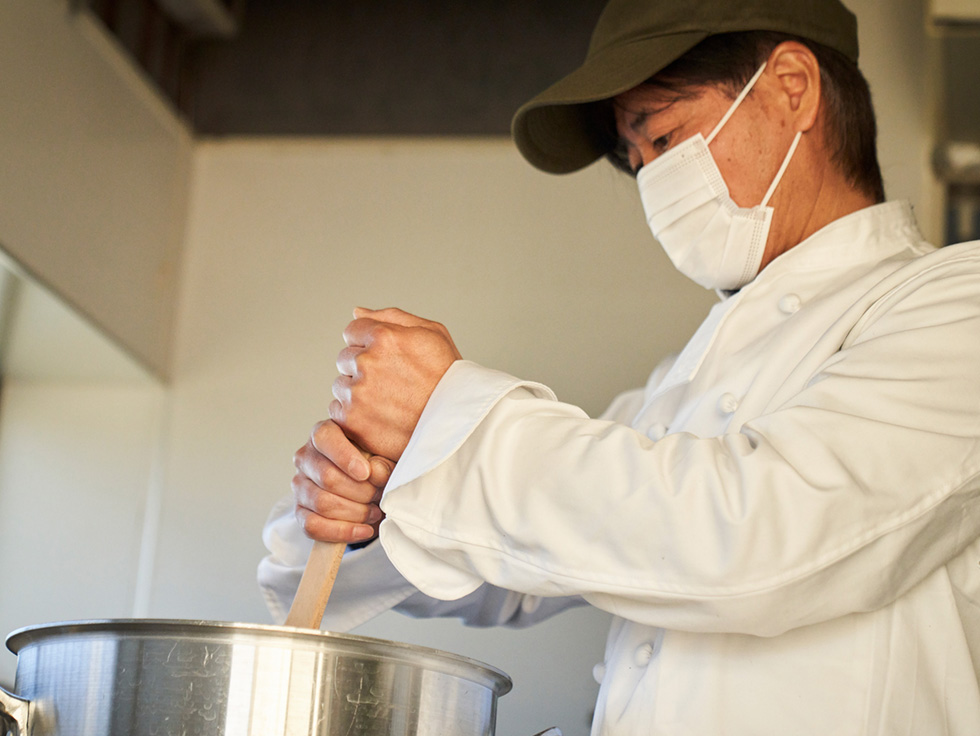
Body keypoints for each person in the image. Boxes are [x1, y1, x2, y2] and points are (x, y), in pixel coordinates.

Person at [259, 0, 980, 732]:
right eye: (638, 164)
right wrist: (377, 497)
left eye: (663, 137)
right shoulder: (683, 382)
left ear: (792, 87)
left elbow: (761, 538)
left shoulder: (957, 304)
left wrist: (452, 417)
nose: (653, 186)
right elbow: (523, 558)